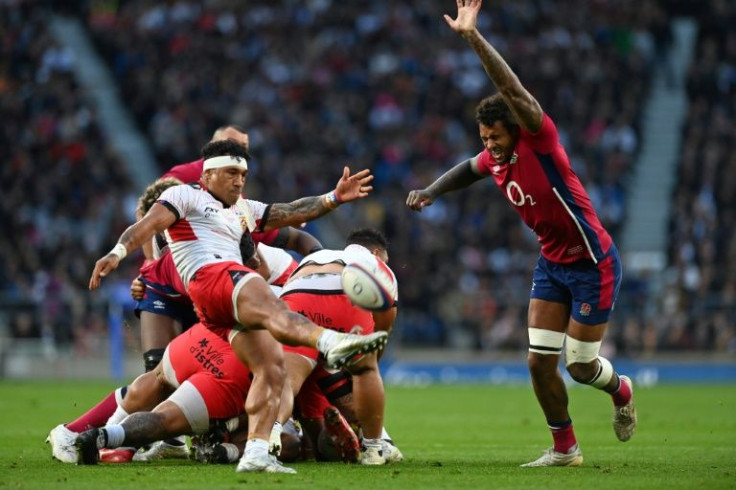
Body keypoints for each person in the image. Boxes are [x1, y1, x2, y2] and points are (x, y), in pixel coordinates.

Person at [406, 0, 636, 468]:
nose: (489, 145)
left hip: (593, 262)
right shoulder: (493, 157)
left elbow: (511, 88)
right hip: (552, 265)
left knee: (580, 366)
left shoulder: (538, 137)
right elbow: (468, 170)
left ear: (515, 127)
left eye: (495, 136)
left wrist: (472, 37)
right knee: (538, 362)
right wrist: (431, 190)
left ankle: (621, 388)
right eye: (484, 137)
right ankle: (565, 449)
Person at [88, 139, 388, 473]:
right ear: (209, 172)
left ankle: (254, 453)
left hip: (217, 306)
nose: (239, 180)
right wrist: (117, 252)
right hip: (212, 276)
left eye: (243, 174)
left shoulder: (243, 209)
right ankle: (331, 342)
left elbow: (292, 211)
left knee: (272, 368)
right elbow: (147, 225)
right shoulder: (185, 195)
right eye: (232, 172)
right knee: (277, 310)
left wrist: (333, 198)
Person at [75, 322, 300, 467]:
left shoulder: (265, 282)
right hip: (230, 371)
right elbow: (283, 399)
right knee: (165, 420)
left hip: (199, 338)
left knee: (157, 377)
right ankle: (104, 437)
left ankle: (109, 432)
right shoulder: (304, 341)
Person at [273, 228, 402, 465]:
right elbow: (382, 331)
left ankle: (270, 433)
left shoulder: (316, 257)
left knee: (288, 380)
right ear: (376, 252)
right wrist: (363, 368)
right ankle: (374, 448)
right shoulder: (373, 264)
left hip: (296, 296)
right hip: (345, 295)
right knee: (365, 370)